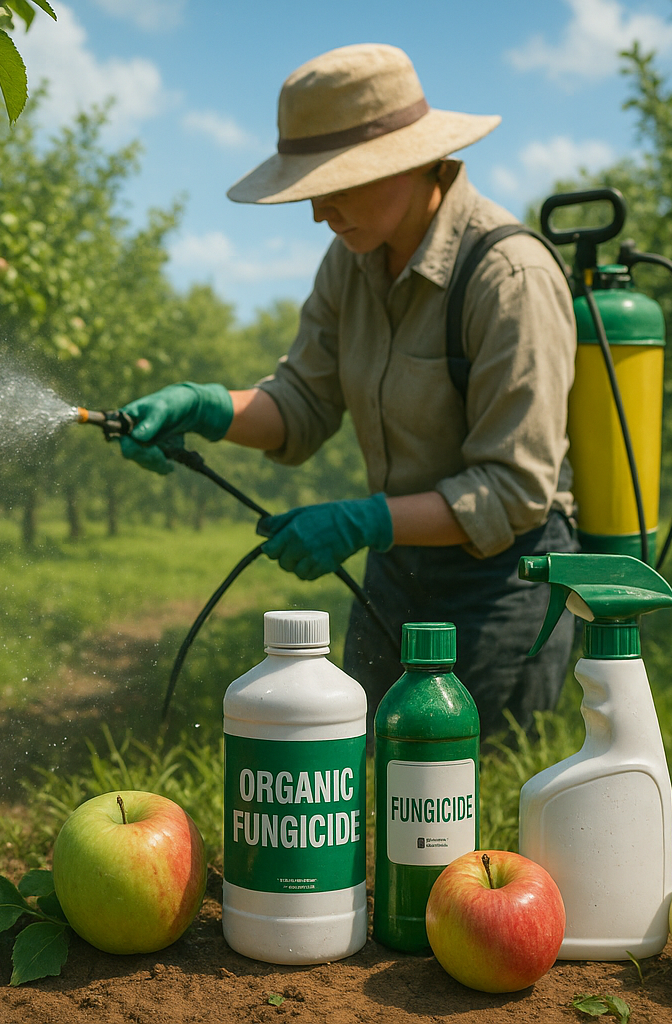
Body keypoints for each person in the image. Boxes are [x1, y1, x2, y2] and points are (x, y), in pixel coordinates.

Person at [118, 44, 578, 736]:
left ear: (413, 160)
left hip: (500, 581)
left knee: (463, 799)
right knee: (364, 770)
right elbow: (301, 405)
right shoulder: (351, 263)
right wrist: (208, 407)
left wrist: (362, 521)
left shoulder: (507, 277)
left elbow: (512, 493)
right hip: (398, 570)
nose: (317, 212)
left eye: (337, 182)